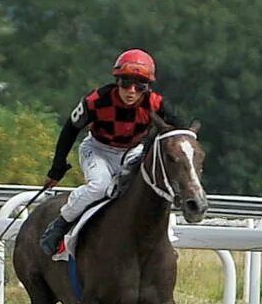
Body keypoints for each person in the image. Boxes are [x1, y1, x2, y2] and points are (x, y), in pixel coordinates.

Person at [38, 48, 191, 256]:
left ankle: (163, 241)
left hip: (132, 152)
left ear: (147, 87)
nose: (131, 91)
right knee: (100, 187)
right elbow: (70, 129)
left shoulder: (155, 103)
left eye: (140, 86)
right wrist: (56, 169)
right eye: (126, 82)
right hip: (98, 149)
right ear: (117, 81)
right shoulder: (96, 100)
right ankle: (60, 224)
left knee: (144, 191)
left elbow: (183, 131)